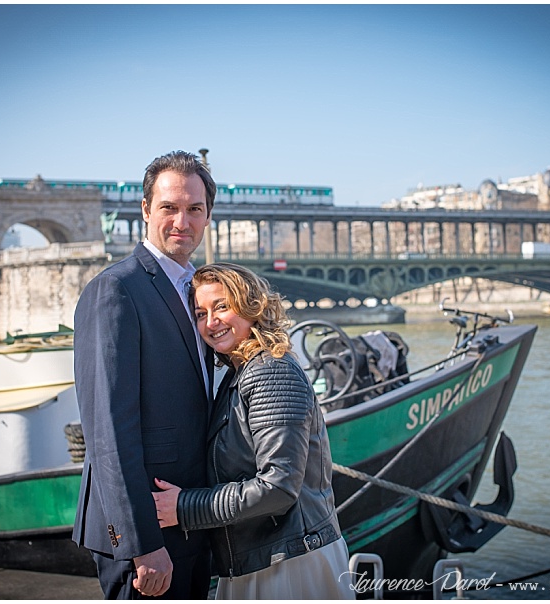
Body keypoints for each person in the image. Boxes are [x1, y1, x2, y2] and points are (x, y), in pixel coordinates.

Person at [152, 263, 355, 599]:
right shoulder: (241, 372)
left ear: (251, 306)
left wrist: (183, 507)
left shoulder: (269, 372)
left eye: (221, 307)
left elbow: (277, 488)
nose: (211, 322)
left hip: (288, 563)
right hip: (265, 557)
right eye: (201, 313)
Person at [72, 150, 216, 599]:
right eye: (170, 207)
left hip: (191, 516)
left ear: (208, 215)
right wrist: (141, 545)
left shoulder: (200, 291)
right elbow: (108, 433)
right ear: (145, 210)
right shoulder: (116, 289)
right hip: (148, 533)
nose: (182, 221)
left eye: (195, 209)